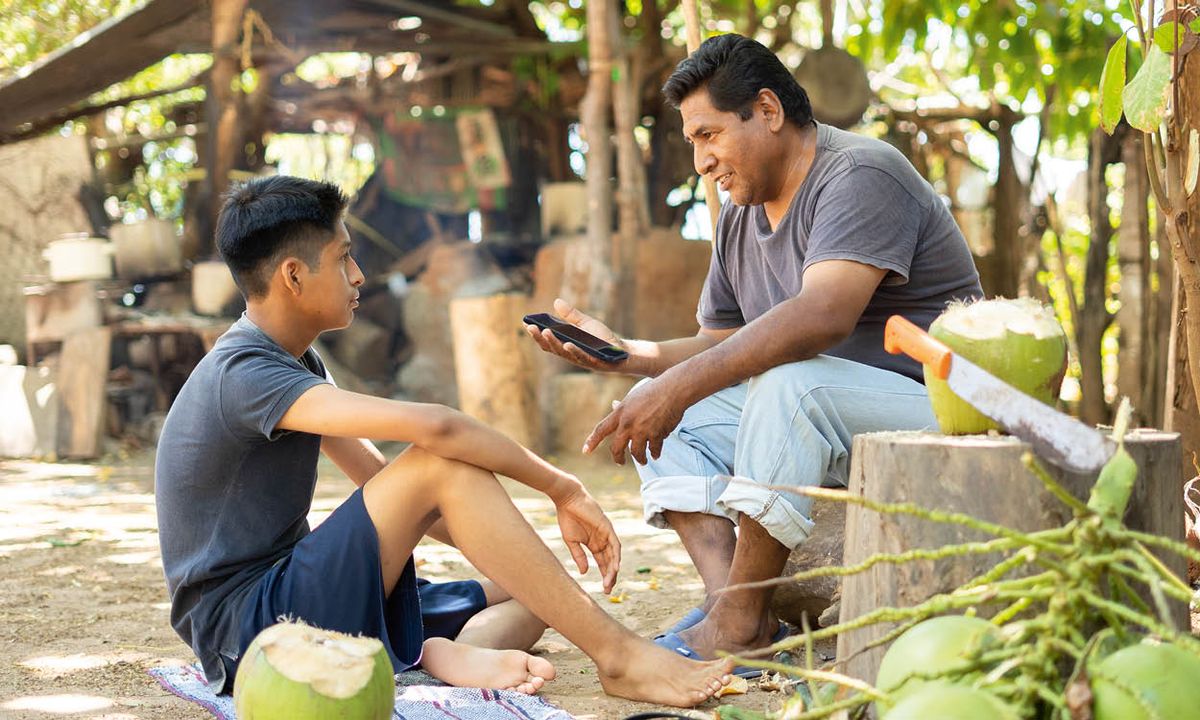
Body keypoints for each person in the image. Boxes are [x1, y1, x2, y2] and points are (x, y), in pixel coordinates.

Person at [154, 175, 733, 706]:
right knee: (441, 462)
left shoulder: (294, 358)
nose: (359, 276)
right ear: (293, 276)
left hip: (296, 595)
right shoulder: (245, 373)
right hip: (248, 631)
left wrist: (495, 547)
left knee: (537, 588)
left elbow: (384, 485)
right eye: (345, 258)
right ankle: (619, 657)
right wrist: (563, 487)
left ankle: (434, 658)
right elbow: (438, 430)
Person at [525, 33, 984, 674]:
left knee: (785, 382)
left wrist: (678, 385)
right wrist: (628, 357)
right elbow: (718, 344)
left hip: (939, 411)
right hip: (830, 426)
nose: (702, 162)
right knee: (663, 408)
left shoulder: (861, 173)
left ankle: (738, 622)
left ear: (767, 110)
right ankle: (736, 611)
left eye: (709, 135)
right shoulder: (741, 213)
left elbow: (821, 317)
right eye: (693, 143)